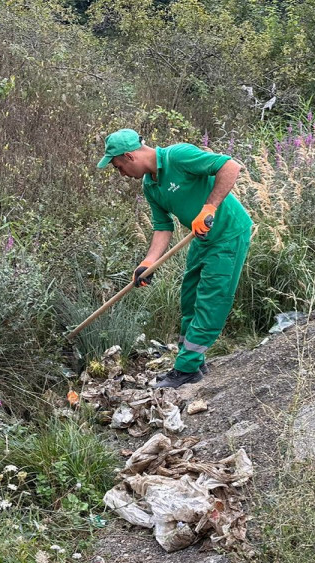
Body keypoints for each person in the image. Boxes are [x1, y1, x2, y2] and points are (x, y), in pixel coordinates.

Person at [98, 128, 253, 389]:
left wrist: (209, 207)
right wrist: (148, 263)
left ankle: (186, 369)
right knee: (190, 297)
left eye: (118, 167)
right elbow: (162, 227)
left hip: (228, 234)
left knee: (211, 299)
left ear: (129, 156)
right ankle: (192, 358)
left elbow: (230, 166)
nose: (121, 174)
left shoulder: (178, 156)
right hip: (202, 238)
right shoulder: (151, 186)